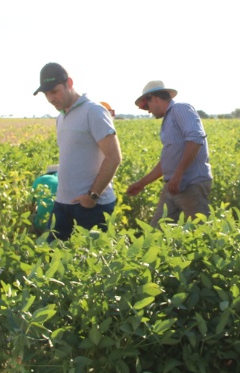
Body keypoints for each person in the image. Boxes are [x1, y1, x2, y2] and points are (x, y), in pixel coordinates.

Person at [34, 62, 121, 241]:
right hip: (62, 203)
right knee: (52, 258)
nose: (50, 98)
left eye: (54, 91)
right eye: (46, 94)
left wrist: (92, 196)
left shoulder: (94, 111)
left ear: (70, 83)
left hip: (92, 207)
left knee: (91, 264)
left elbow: (114, 157)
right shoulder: (61, 117)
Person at [126, 81, 212, 223]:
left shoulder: (180, 108)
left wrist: (178, 174)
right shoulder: (168, 118)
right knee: (157, 233)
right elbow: (167, 161)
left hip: (191, 184)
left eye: (147, 106)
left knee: (201, 232)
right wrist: (142, 183)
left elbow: (196, 139)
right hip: (173, 186)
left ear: (154, 98)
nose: (148, 111)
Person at [32, 164, 59, 232]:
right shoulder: (67, 180)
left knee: (31, 217)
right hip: (63, 225)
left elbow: (31, 204)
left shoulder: (40, 179)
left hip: (42, 224)